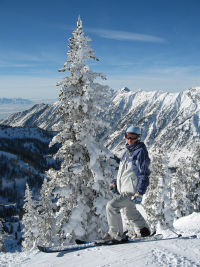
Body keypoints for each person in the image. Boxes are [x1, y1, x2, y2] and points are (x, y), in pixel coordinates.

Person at [103, 125, 151, 242]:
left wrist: (140, 192)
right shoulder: (127, 152)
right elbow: (123, 172)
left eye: (133, 137)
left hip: (132, 190)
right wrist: (115, 183)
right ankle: (143, 230)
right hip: (125, 188)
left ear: (138, 138)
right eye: (128, 136)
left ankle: (116, 234)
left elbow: (144, 173)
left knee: (112, 206)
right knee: (129, 211)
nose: (130, 139)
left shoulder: (140, 152)